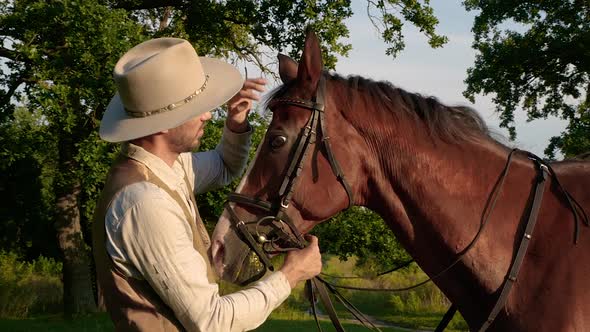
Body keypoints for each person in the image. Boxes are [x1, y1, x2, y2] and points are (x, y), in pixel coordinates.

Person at [92, 37, 322, 332]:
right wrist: (290, 274)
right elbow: (212, 321)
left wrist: (237, 122)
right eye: (194, 108)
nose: (207, 114)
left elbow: (225, 166)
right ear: (162, 123)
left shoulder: (166, 169)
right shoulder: (144, 203)